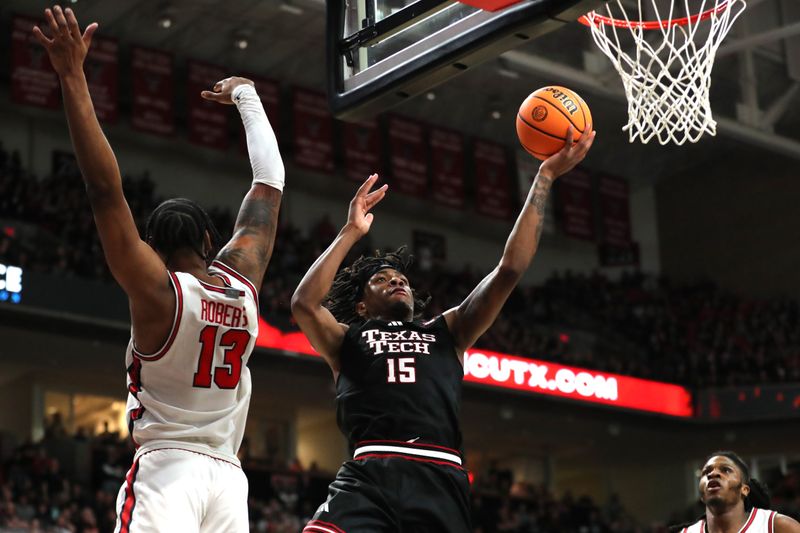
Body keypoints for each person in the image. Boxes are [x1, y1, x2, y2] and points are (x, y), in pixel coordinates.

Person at [33, 7, 284, 532]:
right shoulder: (243, 284)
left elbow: (104, 191)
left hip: (169, 470)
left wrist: (73, 77)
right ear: (212, 243)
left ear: (150, 248)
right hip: (229, 483)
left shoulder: (158, 293)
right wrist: (245, 95)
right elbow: (269, 182)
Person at [291, 126, 595, 531]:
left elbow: (510, 269)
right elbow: (303, 304)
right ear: (361, 305)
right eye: (381, 279)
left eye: (401, 278)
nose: (397, 281)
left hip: (440, 474)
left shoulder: (446, 330)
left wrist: (544, 177)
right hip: (369, 473)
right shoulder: (348, 338)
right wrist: (351, 233)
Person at [673, 451, 800, 533]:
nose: (713, 474)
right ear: (702, 496)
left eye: (726, 470)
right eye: (706, 472)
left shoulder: (777, 526)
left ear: (744, 490)